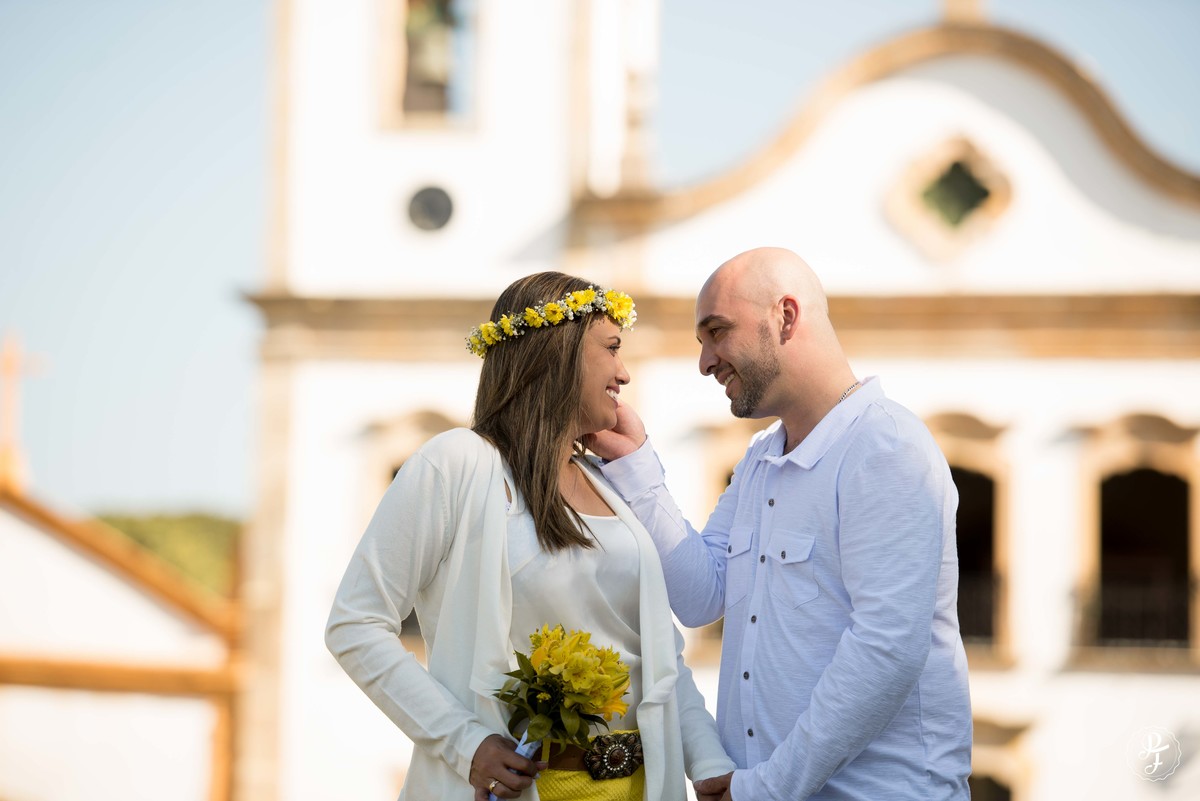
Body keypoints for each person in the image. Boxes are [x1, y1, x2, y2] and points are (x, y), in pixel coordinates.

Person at [325, 272, 735, 801]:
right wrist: (464, 743)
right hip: (523, 787)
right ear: (559, 354)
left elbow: (661, 658)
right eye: (611, 349)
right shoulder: (457, 463)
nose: (625, 372)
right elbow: (355, 623)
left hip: (639, 787)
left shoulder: (606, 482)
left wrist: (707, 760)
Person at [586, 248, 973, 800]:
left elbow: (887, 649)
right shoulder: (761, 459)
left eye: (717, 332)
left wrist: (765, 789)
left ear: (785, 316)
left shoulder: (885, 445)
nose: (705, 361)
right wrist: (635, 468)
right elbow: (703, 598)